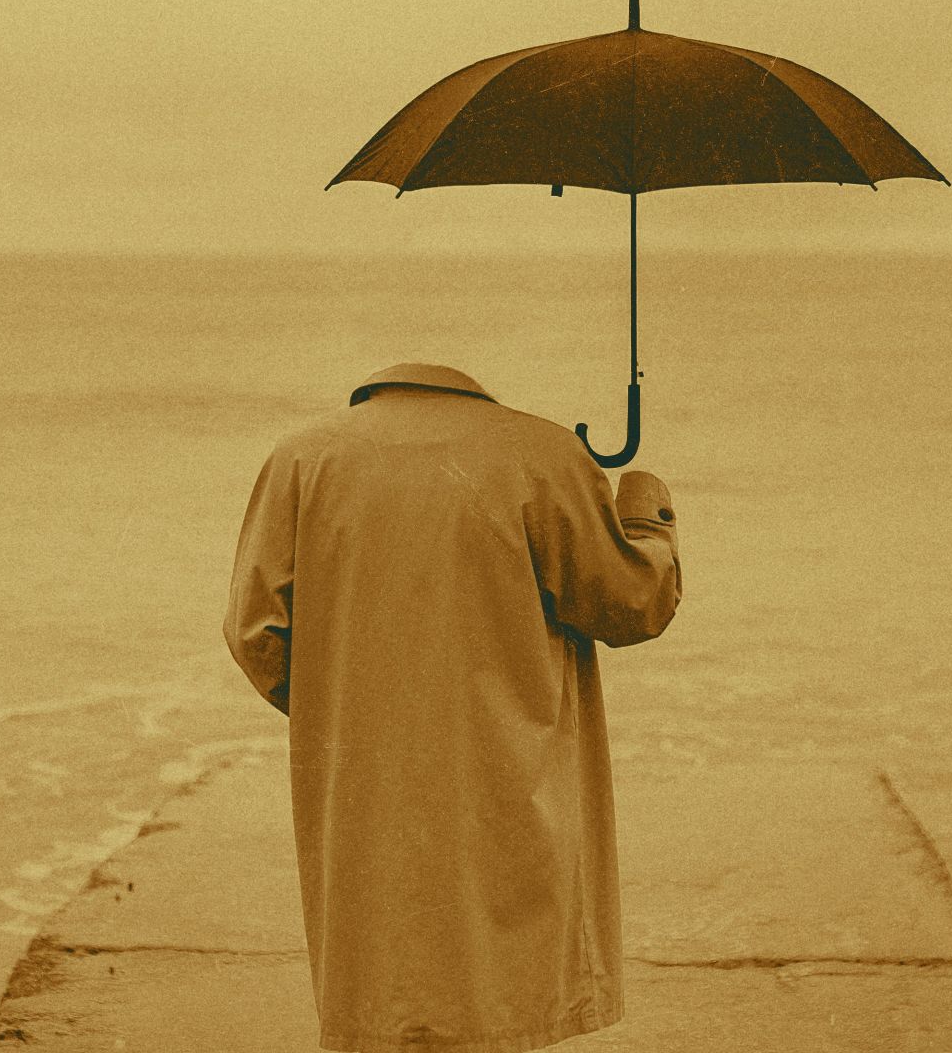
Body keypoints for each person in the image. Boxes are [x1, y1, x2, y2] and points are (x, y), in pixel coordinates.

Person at [223, 362, 682, 1053]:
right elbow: (632, 604)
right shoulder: (543, 454)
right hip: (505, 773)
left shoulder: (302, 458)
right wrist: (644, 509)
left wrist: (352, 705)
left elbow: (256, 630)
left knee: (384, 979)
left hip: (368, 777)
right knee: (499, 991)